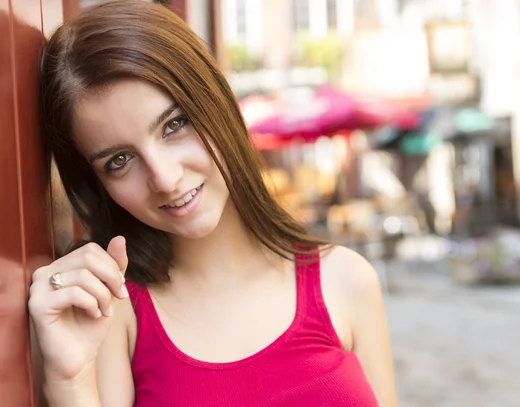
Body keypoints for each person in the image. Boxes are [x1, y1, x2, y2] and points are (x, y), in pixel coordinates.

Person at [29, 1, 397, 406]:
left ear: (215, 102)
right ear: (97, 182)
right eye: (119, 161)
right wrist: (69, 383)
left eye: (174, 125)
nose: (165, 178)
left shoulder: (347, 281)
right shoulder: (114, 311)